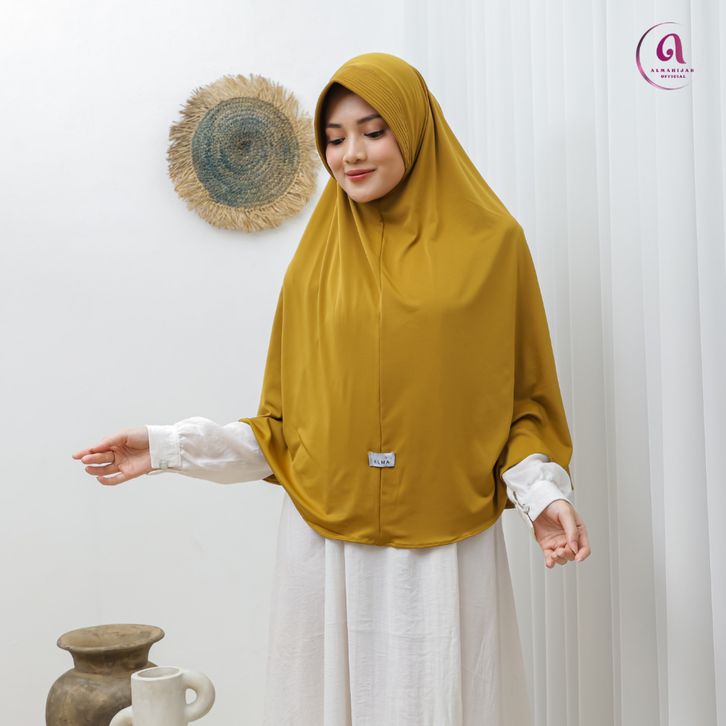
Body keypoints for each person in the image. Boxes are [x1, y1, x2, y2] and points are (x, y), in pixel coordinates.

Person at [72, 52, 590, 725]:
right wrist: (166, 447)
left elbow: (523, 405)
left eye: (373, 131)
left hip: (443, 548)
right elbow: (285, 433)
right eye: (336, 137)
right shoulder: (314, 262)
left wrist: (542, 496)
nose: (351, 154)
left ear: (417, 129)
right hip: (325, 553)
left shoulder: (494, 246)